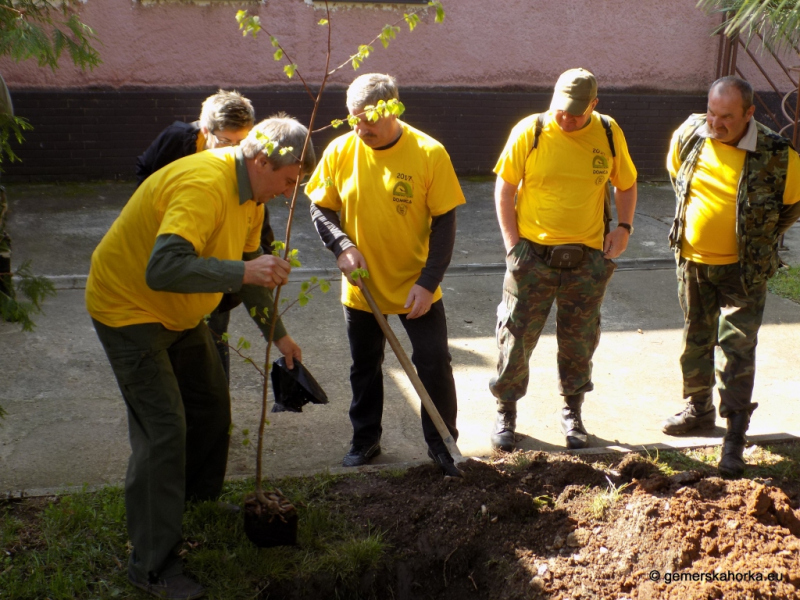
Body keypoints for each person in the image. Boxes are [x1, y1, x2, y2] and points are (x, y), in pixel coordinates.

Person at [87, 116, 315, 600]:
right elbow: (163, 267)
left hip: (181, 314)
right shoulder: (204, 185)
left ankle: (195, 505)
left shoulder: (252, 195)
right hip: (128, 310)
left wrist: (280, 334)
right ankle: (151, 565)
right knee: (164, 431)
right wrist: (242, 268)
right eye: (289, 181)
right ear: (260, 161)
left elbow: (249, 272)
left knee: (210, 407)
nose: (290, 192)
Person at [306, 73, 465, 477]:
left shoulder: (429, 153)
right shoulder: (341, 150)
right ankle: (365, 440)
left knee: (433, 363)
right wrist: (342, 245)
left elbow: (445, 223)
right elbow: (320, 208)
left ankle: (443, 444)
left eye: (368, 120)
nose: (360, 129)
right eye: (353, 120)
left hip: (417, 286)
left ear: (392, 109)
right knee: (365, 365)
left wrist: (428, 282)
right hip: (363, 288)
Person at [489, 68, 638, 452]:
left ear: (594, 104)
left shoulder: (608, 132)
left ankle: (573, 412)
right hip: (532, 257)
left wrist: (623, 228)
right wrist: (513, 246)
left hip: (587, 259)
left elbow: (626, 183)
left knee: (580, 340)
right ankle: (506, 411)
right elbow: (504, 188)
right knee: (516, 336)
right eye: (560, 109)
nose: (566, 118)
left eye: (575, 112)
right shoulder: (531, 130)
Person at [662, 76, 800, 477]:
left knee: (737, 351)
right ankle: (697, 408)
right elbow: (678, 178)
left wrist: (759, 238)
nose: (716, 124)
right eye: (712, 113)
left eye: (727, 117)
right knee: (695, 339)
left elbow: (791, 207)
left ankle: (735, 436)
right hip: (693, 262)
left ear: (749, 114)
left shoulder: (777, 153)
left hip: (744, 271)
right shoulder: (690, 133)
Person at [135, 89, 273, 381]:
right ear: (206, 130)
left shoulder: (248, 166)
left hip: (220, 259)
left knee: (214, 334)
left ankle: (215, 404)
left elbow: (257, 216)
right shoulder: (177, 141)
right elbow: (146, 173)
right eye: (225, 141)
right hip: (178, 247)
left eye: (242, 142)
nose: (233, 149)